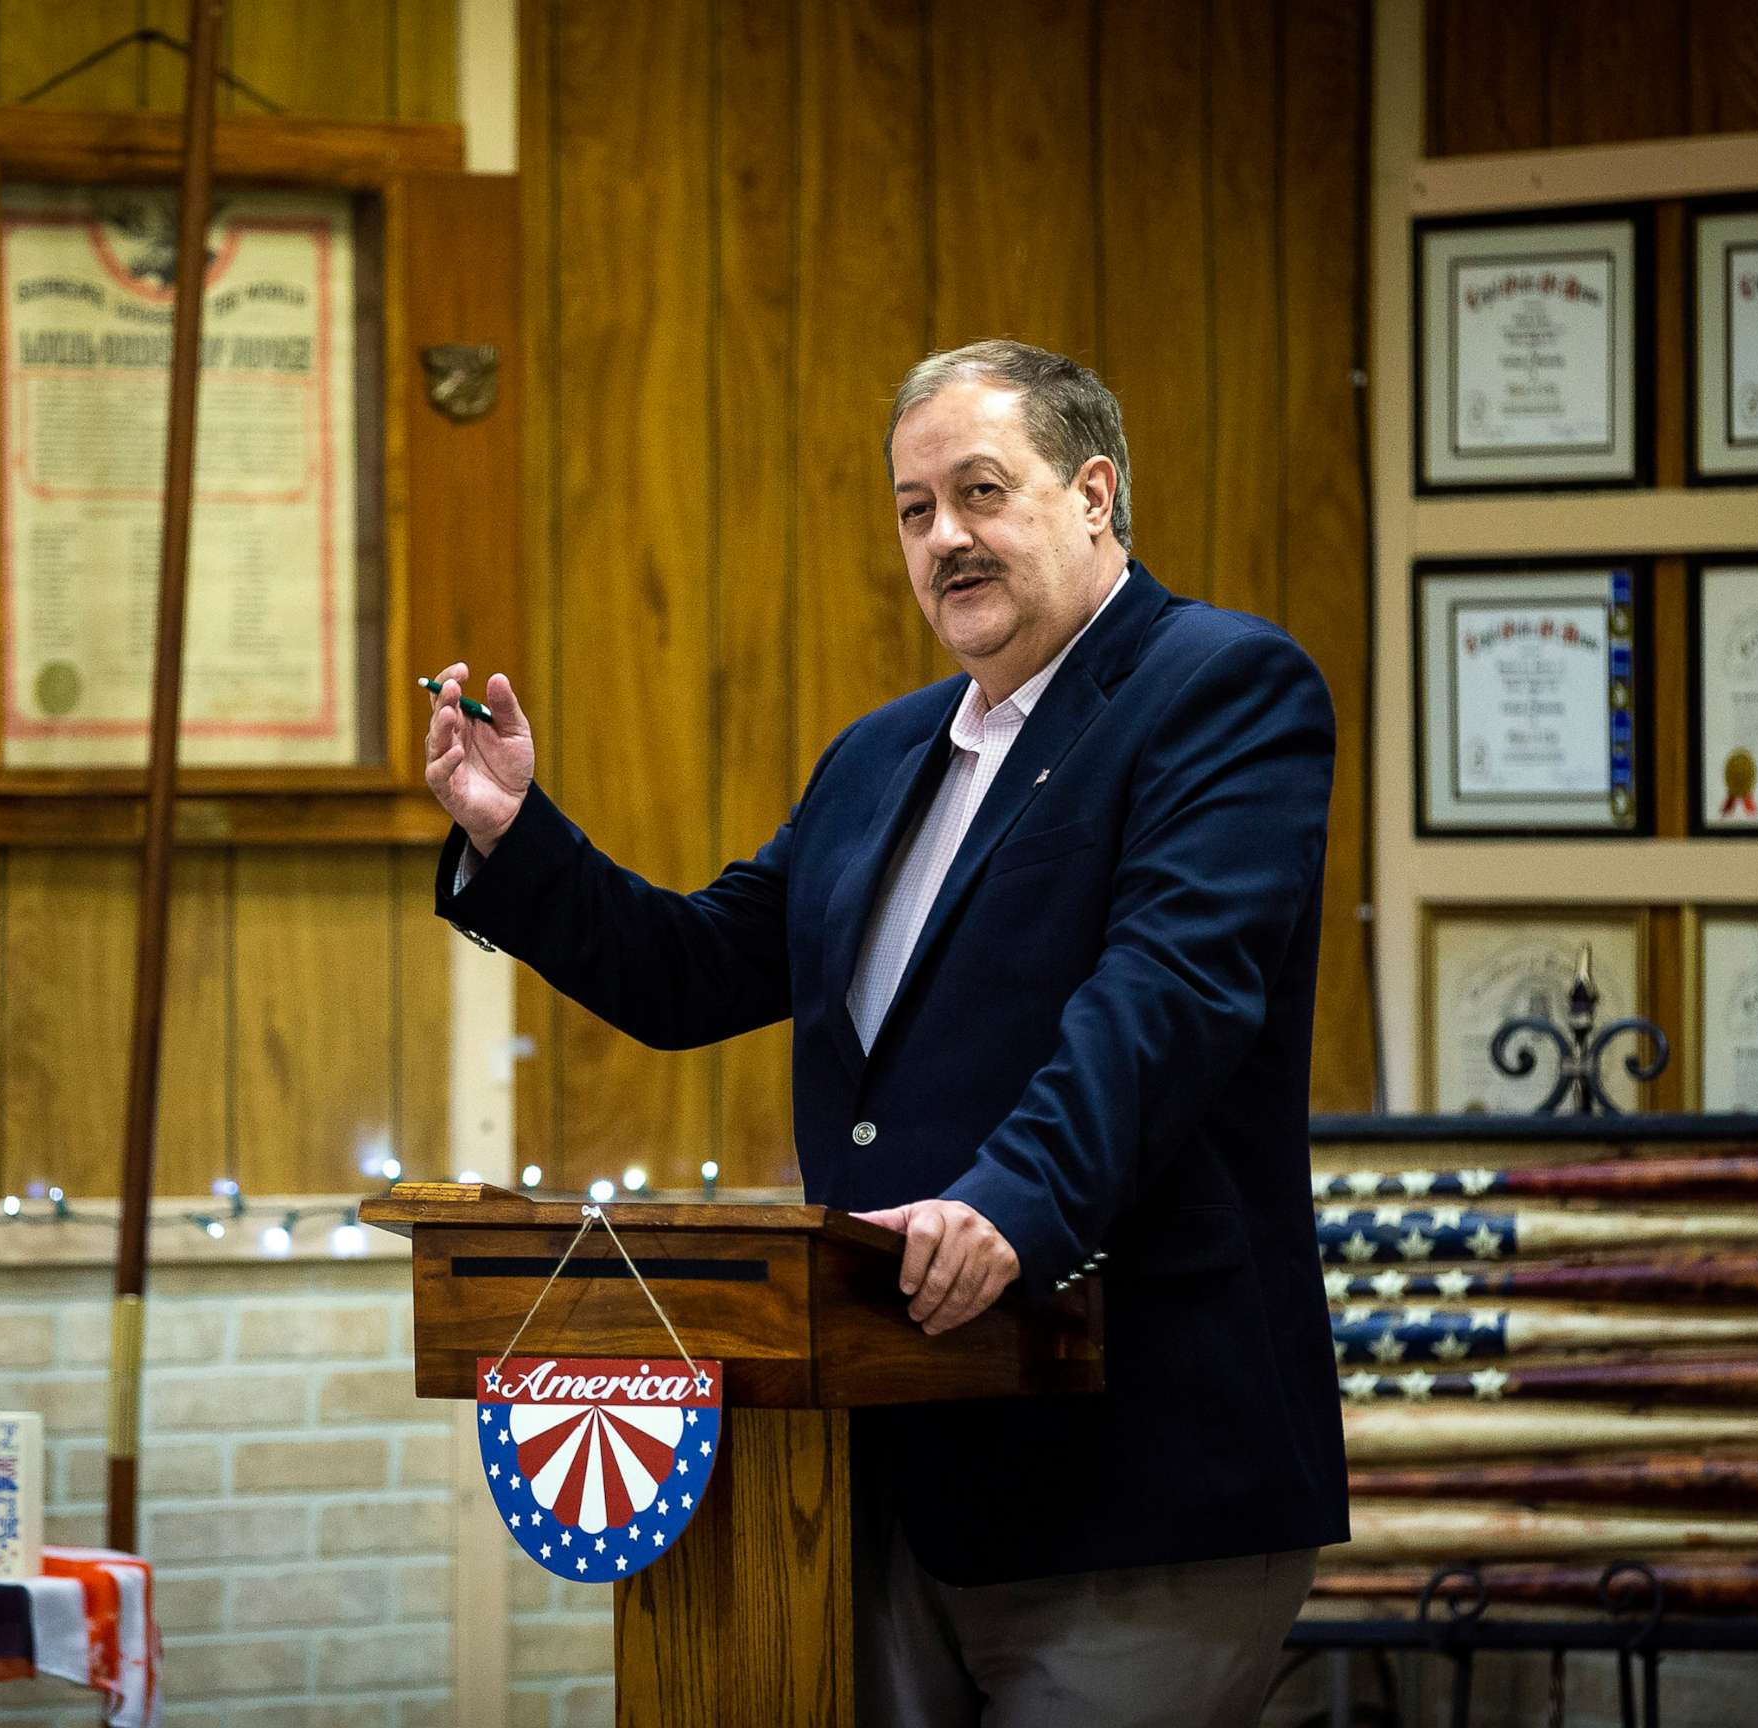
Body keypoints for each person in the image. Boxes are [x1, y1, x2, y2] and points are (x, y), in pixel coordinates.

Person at [423, 339, 1346, 1725]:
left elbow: (1169, 993)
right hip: (888, 1462)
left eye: (981, 492)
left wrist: (1009, 1203)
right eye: (916, 511)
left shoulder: (1221, 687)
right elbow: (693, 973)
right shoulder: (881, 756)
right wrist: (513, 836)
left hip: (1139, 1459)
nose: (946, 539)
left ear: (1095, 495)